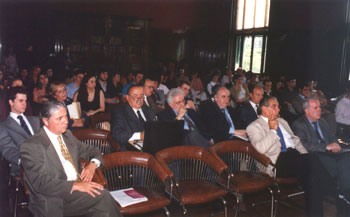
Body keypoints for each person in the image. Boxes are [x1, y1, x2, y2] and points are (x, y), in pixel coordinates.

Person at [20, 101, 122, 217]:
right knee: (102, 196)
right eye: (60, 118)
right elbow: (41, 183)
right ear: (45, 121)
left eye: (66, 116)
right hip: (53, 198)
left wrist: (92, 165)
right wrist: (75, 185)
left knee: (102, 203)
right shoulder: (32, 146)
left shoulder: (67, 136)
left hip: (76, 192)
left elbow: (94, 151)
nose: (66, 121)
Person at [292, 97, 350, 217]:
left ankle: (343, 191)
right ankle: (343, 192)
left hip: (330, 154)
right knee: (342, 164)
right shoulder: (299, 124)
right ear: (306, 111)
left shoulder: (322, 122)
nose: (319, 110)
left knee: (347, 155)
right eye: (315, 108)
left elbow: (332, 137)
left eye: (319, 107)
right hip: (315, 157)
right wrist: (325, 147)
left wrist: (334, 144)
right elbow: (304, 145)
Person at [247, 96, 307, 177]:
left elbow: (296, 142)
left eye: (278, 106)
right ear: (264, 109)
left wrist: (307, 157)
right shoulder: (254, 126)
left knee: (315, 164)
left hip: (294, 155)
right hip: (277, 161)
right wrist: (273, 131)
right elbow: (260, 149)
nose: (278, 109)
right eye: (274, 106)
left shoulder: (282, 121)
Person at [0, 86, 40, 177]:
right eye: (21, 101)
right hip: (24, 169)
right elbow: (9, 151)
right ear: (11, 102)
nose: (24, 104)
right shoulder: (3, 127)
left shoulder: (35, 120)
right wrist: (31, 161)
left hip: (45, 163)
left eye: (25, 101)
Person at [111, 85, 156, 151]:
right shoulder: (119, 112)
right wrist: (140, 136)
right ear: (127, 97)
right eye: (135, 96)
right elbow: (117, 134)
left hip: (152, 146)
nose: (139, 99)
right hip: (131, 149)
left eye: (141, 96)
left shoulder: (149, 110)